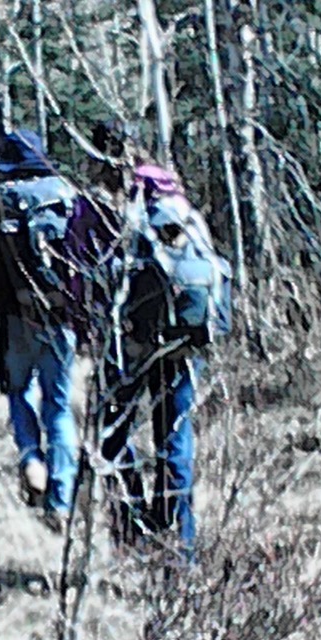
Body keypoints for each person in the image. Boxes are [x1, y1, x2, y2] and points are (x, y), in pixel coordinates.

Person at [71, 121, 224, 555]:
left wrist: (86, 332)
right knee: (174, 437)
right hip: (180, 336)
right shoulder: (172, 197)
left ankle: (133, 529)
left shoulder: (96, 208)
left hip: (127, 340)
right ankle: (184, 545)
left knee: (110, 438)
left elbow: (81, 275)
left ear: (94, 157)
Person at [0, 130, 81, 531]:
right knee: (59, 404)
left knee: (18, 390)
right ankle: (62, 496)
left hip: (15, 317)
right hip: (62, 316)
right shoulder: (69, 196)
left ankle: (32, 458)